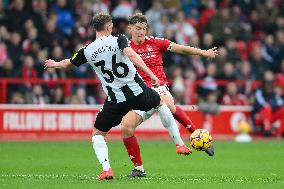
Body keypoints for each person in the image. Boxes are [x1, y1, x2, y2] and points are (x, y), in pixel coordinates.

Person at [44, 13, 189, 180]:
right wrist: (151, 74)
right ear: (108, 27)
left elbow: (68, 64)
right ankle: (179, 144)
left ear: (94, 28)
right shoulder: (119, 39)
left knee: (98, 134)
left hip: (116, 100)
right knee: (160, 103)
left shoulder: (87, 50)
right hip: (138, 92)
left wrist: (55, 64)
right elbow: (132, 55)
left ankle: (107, 170)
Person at [121, 13, 218, 177]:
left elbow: (181, 48)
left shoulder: (155, 42)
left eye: (144, 29)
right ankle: (139, 169)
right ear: (130, 28)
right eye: (138, 28)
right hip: (138, 94)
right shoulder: (124, 48)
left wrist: (204, 53)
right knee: (126, 127)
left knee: (166, 103)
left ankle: (195, 136)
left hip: (158, 86)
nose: (141, 32)